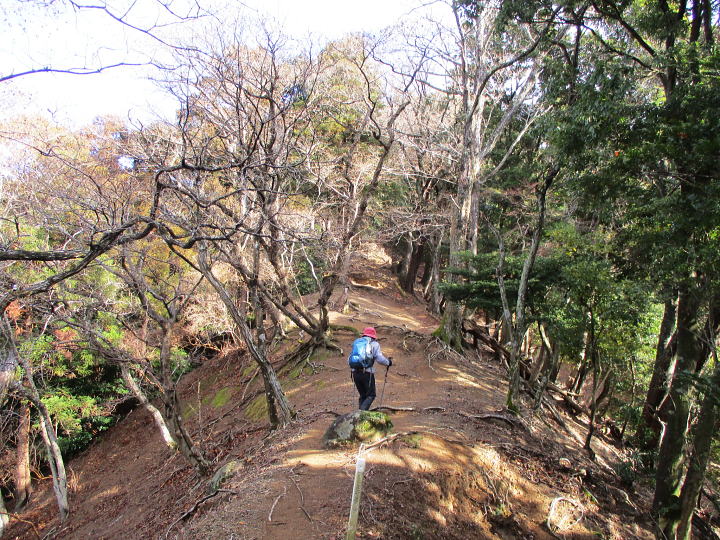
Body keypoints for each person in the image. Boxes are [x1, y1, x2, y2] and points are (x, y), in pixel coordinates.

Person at [349, 327, 392, 411]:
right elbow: (379, 358)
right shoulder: (374, 344)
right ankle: (361, 414)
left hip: (355, 373)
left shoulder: (357, 342)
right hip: (367, 373)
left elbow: (349, 359)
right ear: (373, 335)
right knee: (371, 395)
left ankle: (359, 416)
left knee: (363, 395)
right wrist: (388, 362)